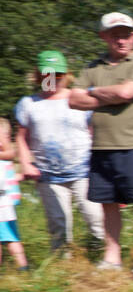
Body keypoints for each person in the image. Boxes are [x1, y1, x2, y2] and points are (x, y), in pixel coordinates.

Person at [66, 13, 133, 278]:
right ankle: (112, 259)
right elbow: (73, 100)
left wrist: (93, 92)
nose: (121, 39)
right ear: (104, 36)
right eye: (115, 34)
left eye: (126, 34)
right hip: (100, 147)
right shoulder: (92, 67)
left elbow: (126, 93)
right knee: (107, 203)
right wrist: (108, 95)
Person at [13, 50, 104, 258]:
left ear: (67, 75)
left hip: (84, 170)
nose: (52, 79)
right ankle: (63, 264)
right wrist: (26, 164)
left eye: (58, 75)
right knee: (58, 222)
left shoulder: (79, 99)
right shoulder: (29, 104)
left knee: (95, 216)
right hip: (47, 175)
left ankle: (100, 256)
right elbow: (21, 137)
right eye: (47, 74)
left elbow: (95, 132)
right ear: (38, 75)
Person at [0, 121, 29, 271]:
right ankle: (23, 266)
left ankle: (23, 266)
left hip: (3, 204)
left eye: (6, 136)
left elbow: (11, 152)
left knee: (10, 236)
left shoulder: (4, 157)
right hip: (5, 204)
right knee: (11, 235)